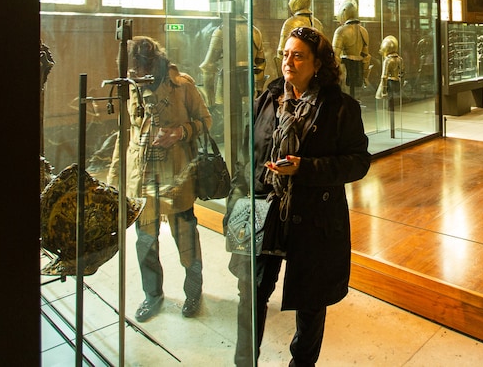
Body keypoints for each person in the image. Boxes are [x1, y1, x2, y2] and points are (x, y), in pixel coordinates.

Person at [233, 26, 370, 366]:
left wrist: (305, 168)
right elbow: (245, 155)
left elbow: (357, 163)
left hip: (313, 219)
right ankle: (243, 361)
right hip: (265, 211)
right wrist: (239, 200)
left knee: (310, 302)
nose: (288, 62)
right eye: (285, 54)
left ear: (318, 64)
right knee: (252, 292)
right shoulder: (266, 100)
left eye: (298, 56)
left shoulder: (340, 108)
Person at [107, 36, 212, 321]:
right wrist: (114, 179)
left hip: (177, 178)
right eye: (131, 72)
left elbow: (206, 120)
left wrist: (180, 132)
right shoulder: (132, 89)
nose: (134, 76)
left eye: (138, 70)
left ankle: (193, 292)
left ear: (153, 64)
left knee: (186, 240)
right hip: (142, 180)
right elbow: (125, 133)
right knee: (145, 242)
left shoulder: (182, 85)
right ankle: (153, 294)